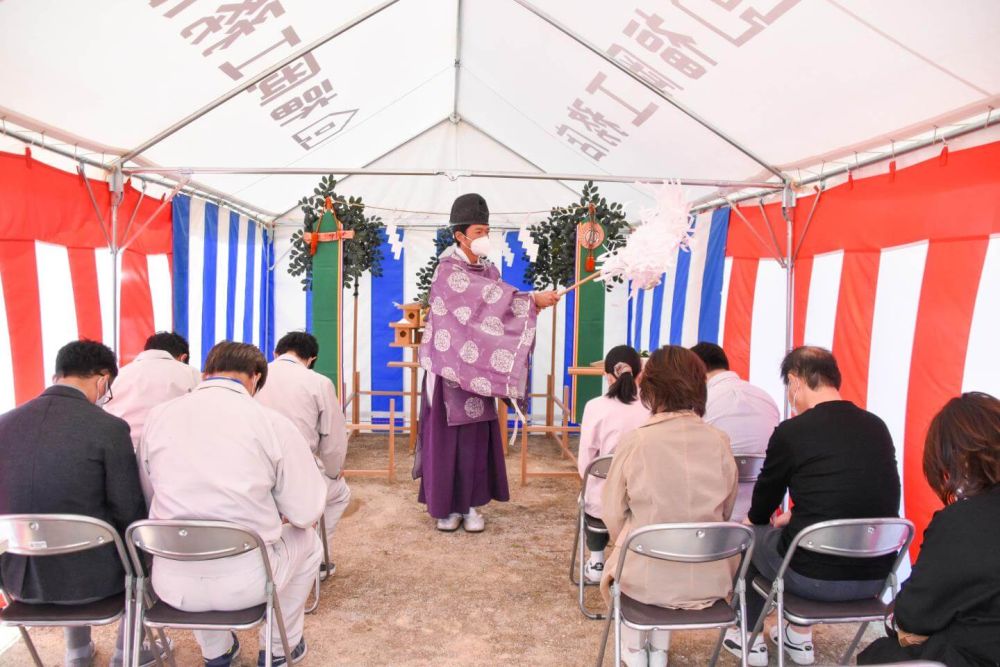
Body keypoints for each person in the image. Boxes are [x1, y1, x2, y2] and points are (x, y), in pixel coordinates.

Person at [139, 342, 326, 667]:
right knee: (310, 544)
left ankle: (218, 652)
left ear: (207, 371)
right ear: (255, 378)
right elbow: (306, 511)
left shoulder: (158, 417)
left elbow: (149, 493)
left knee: (190, 534)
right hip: (247, 582)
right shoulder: (271, 423)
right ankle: (280, 648)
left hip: (172, 582)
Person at [724, 346, 902, 666]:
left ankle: (746, 636)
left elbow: (763, 505)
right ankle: (798, 636)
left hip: (812, 576)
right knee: (787, 534)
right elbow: (872, 496)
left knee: (753, 534)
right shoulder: (877, 426)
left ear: (795, 382)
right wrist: (798, 515)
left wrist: (762, 521)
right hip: (875, 578)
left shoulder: (793, 431)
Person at [0, 340, 161, 667]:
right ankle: (128, 651)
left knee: (67, 529)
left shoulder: (4, 424)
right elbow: (127, 510)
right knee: (145, 545)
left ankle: (77, 653)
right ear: (102, 380)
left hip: (18, 581)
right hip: (93, 584)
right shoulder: (109, 429)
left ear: (57, 374)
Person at [415, 193, 559, 532]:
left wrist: (531, 304)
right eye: (479, 230)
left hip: (478, 370)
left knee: (475, 440)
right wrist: (530, 299)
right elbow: (484, 300)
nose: (484, 237)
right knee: (446, 440)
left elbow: (502, 310)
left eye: (487, 230)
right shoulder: (447, 270)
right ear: (460, 235)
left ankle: (470, 506)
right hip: (447, 370)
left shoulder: (490, 269)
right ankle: (445, 508)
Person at [601, 346, 738, 667]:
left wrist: (636, 539)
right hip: (709, 578)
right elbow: (726, 510)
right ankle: (659, 650)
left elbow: (612, 514)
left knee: (634, 545)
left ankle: (635, 651)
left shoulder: (637, 441)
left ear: (649, 387)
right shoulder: (719, 440)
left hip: (645, 577)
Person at [858, 392, 1000, 666]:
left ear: (962, 461)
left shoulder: (961, 521)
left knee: (878, 654)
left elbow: (913, 614)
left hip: (974, 656)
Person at [256, 331, 350, 575]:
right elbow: (333, 436)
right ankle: (315, 557)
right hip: (298, 471)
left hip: (256, 470)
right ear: (311, 359)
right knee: (339, 494)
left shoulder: (255, 376)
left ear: (276, 353)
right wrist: (333, 470)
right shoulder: (318, 382)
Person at [576, 345, 650, 583]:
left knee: (591, 492)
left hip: (603, 502)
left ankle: (597, 560)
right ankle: (632, 564)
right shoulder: (652, 406)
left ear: (606, 375)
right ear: (640, 374)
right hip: (643, 502)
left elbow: (586, 462)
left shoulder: (595, 406)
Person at [690, 341, 779, 520]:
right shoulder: (766, 398)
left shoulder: (701, 402)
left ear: (697, 371)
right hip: (763, 517)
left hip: (713, 521)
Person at [105, 331, 201, 449]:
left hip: (120, 447)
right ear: (183, 358)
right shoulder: (190, 373)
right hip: (170, 451)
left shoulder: (119, 374)